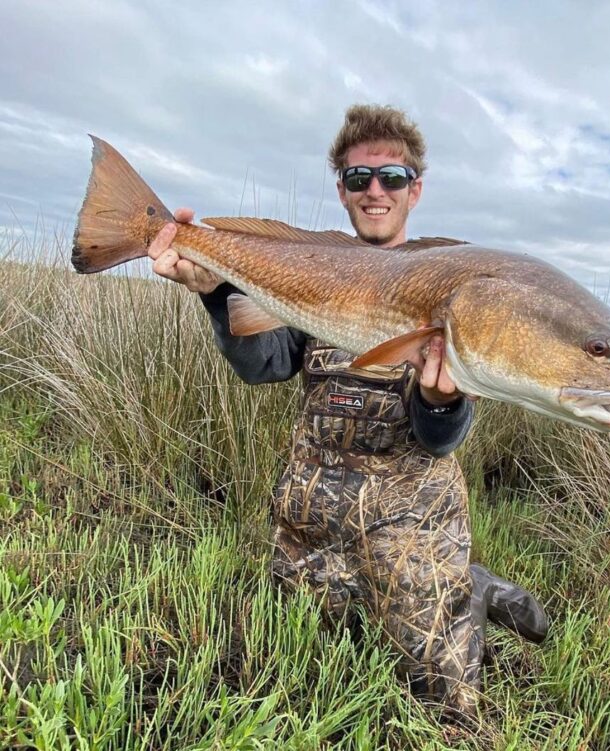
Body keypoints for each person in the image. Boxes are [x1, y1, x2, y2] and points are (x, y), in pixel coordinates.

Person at [148, 104, 548, 717]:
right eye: (360, 179)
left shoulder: (444, 282)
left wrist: (442, 401)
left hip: (409, 518)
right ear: (341, 189)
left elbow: (439, 441)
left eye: (392, 176)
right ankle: (414, 584)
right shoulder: (312, 266)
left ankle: (466, 583)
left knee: (438, 696)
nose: (376, 191)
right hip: (312, 508)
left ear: (416, 188)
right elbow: (265, 363)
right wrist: (217, 292)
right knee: (294, 651)